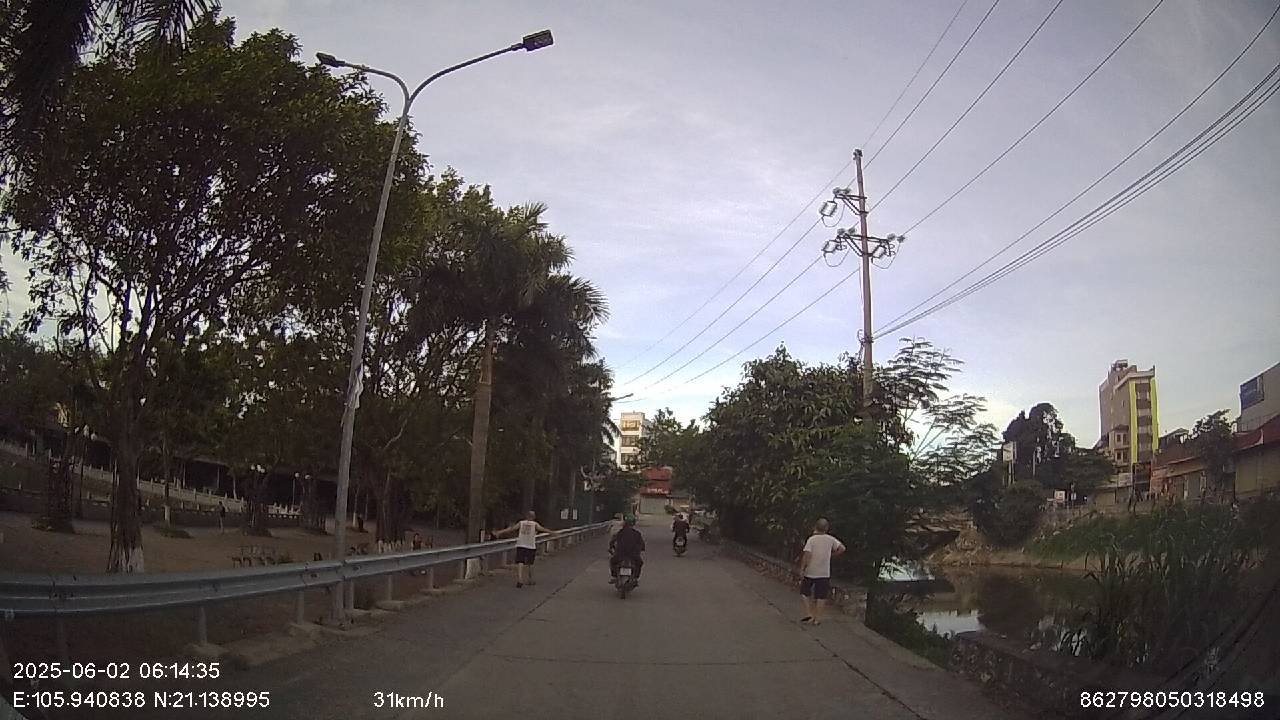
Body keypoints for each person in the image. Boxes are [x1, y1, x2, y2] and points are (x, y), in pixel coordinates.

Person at [796, 518, 845, 626]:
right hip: (824, 572)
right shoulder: (831, 539)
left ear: (816, 527)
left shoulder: (812, 540)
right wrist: (832, 555)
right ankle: (817, 619)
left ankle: (809, 613)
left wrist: (802, 568)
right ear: (826, 528)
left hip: (810, 571)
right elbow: (842, 548)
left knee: (804, 592)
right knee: (821, 596)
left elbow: (807, 555)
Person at [495, 511, 555, 588]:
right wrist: (552, 533)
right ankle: (530, 579)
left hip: (521, 545)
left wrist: (500, 532)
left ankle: (520, 579)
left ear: (527, 516)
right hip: (530, 546)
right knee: (530, 563)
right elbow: (543, 529)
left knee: (520, 562)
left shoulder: (521, 523)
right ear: (534, 517)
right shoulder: (535, 524)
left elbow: (511, 529)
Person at [609, 514, 645, 584]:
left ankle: (615, 576)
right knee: (639, 563)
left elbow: (613, 541)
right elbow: (642, 544)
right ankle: (635, 577)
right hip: (633, 556)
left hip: (620, 555)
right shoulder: (637, 534)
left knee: (612, 561)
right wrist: (641, 549)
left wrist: (611, 547)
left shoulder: (620, 532)